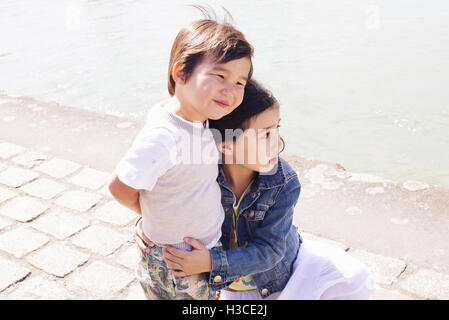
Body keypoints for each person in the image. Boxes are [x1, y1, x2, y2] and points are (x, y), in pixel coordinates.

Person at [134, 80, 378, 300]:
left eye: (277, 129)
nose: (278, 143)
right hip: (227, 286)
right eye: (265, 134)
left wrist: (210, 261)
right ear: (226, 146)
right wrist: (147, 223)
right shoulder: (200, 173)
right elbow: (169, 197)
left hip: (277, 278)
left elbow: (271, 250)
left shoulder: (284, 181)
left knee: (353, 281)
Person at [108, 13, 253, 300]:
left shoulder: (198, 117)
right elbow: (119, 187)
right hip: (179, 261)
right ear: (181, 73)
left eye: (240, 82)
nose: (231, 90)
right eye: (220, 76)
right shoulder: (165, 136)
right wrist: (151, 217)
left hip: (203, 249)